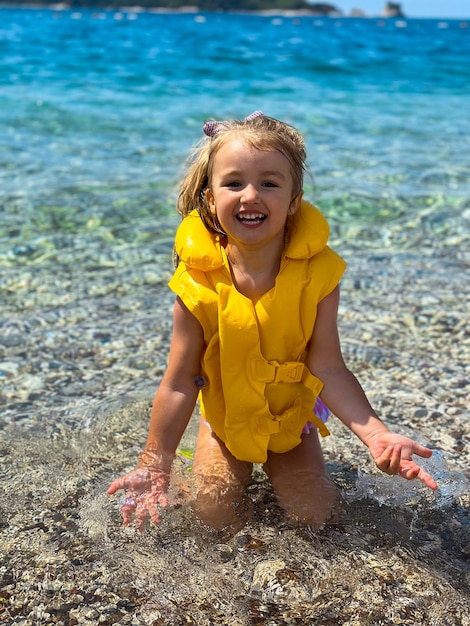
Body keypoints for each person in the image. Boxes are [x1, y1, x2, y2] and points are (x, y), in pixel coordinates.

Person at [107, 111, 437, 532]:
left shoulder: (317, 277)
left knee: (315, 518)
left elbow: (328, 368)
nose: (250, 195)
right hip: (226, 423)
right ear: (210, 198)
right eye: (233, 183)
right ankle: (199, 460)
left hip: (291, 424)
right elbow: (179, 381)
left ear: (294, 200)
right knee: (212, 516)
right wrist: (155, 465)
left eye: (269, 183)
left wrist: (376, 435)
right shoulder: (198, 284)